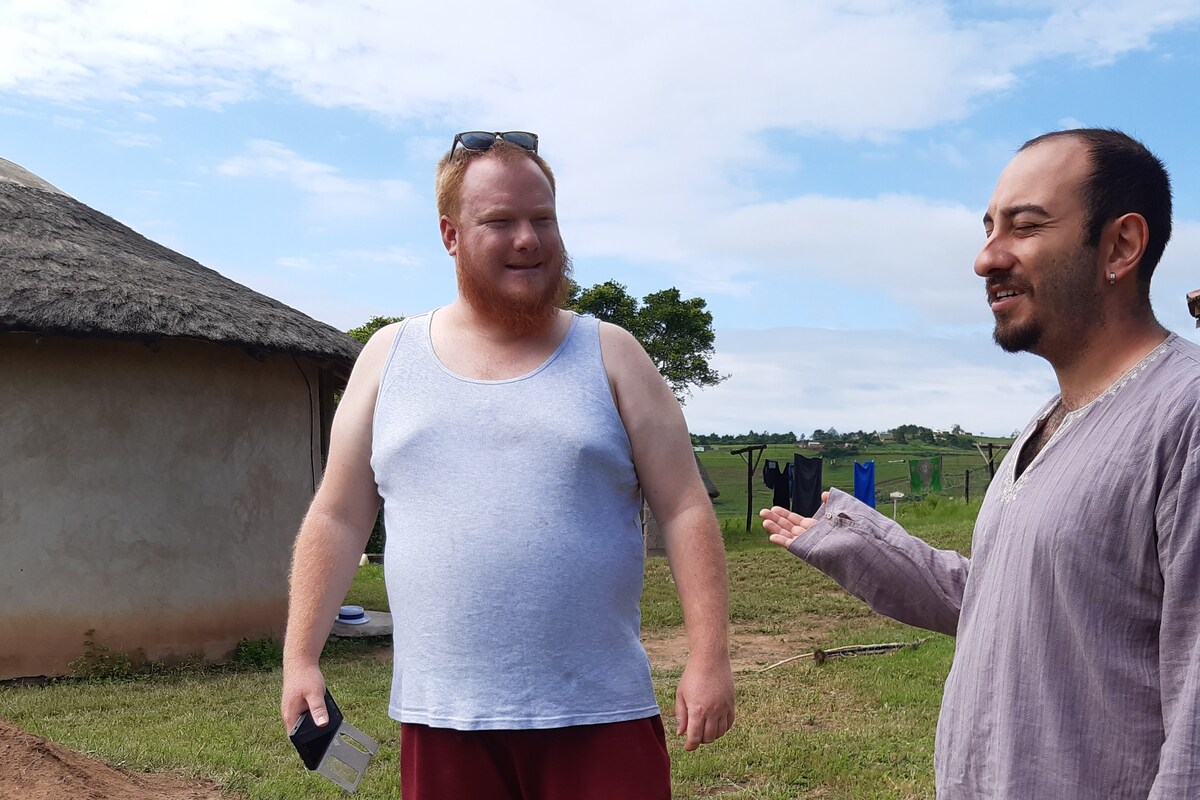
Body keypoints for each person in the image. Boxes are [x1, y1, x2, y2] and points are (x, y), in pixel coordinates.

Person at [281, 130, 734, 799]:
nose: (529, 239)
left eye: (543, 220)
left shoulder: (612, 355)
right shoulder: (388, 358)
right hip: (443, 723)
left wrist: (709, 656)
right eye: (501, 221)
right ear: (451, 235)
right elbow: (339, 517)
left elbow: (684, 506)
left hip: (599, 715)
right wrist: (299, 658)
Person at [761, 128, 1200, 798]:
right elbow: (1009, 603)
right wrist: (861, 544)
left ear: (1121, 245)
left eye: (1025, 227)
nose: (985, 258)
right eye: (989, 227)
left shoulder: (1185, 414)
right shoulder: (1044, 420)